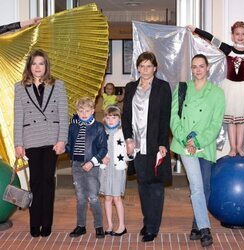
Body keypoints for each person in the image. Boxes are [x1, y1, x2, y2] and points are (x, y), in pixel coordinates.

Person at [170, 54, 225, 247]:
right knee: (197, 186)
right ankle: (205, 229)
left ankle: (195, 224)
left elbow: (216, 123)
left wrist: (198, 140)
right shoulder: (182, 88)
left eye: (201, 66)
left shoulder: (217, 93)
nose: (198, 70)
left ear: (208, 68)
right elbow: (174, 119)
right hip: (185, 146)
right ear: (191, 69)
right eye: (194, 67)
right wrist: (187, 140)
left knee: (205, 187)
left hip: (205, 145)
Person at [14, 49, 68, 237]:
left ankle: (47, 224)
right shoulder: (20, 87)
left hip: (52, 139)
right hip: (31, 139)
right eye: (34, 64)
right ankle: (34, 223)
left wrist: (62, 139)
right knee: (35, 182)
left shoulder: (58, 85)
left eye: (41, 63)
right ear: (29, 66)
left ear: (46, 66)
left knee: (47, 181)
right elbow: (18, 116)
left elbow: (63, 114)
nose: (38, 67)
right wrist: (18, 143)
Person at [122, 51, 172, 242]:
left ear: (155, 68)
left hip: (155, 144)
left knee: (156, 185)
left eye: (149, 65)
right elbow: (126, 116)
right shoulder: (131, 87)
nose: (145, 69)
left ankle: (153, 227)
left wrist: (162, 142)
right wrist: (128, 139)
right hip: (136, 145)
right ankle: (148, 220)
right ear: (138, 68)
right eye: (142, 66)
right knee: (143, 185)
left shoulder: (162, 87)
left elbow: (164, 117)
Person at [187, 22, 244, 157]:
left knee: (242, 121)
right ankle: (233, 148)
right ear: (232, 36)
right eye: (237, 34)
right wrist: (195, 29)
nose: (240, 36)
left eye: (243, 34)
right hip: (230, 87)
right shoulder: (228, 49)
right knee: (231, 121)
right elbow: (211, 38)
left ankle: (240, 147)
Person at [66, 97, 107, 239]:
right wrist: (69, 154)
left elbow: (103, 149)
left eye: (87, 111)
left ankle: (99, 226)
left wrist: (93, 161)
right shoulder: (73, 126)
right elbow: (69, 144)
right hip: (76, 165)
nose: (84, 113)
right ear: (76, 111)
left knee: (93, 197)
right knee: (80, 197)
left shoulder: (99, 127)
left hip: (91, 165)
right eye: (81, 111)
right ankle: (81, 226)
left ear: (93, 110)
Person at [99, 105, 134, 237]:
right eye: (108, 118)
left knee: (117, 198)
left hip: (118, 169)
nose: (111, 120)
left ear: (119, 119)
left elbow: (130, 152)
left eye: (114, 117)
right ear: (104, 119)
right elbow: (97, 148)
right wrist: (101, 157)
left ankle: (122, 225)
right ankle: (109, 225)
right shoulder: (102, 132)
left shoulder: (124, 133)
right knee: (107, 198)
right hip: (105, 169)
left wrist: (130, 153)